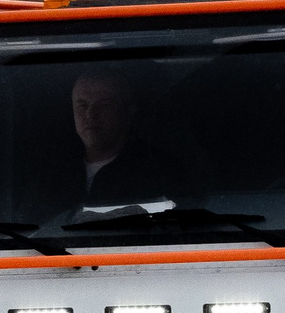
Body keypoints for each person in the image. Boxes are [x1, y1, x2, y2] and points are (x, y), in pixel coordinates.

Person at [38, 70, 182, 215]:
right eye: (81, 106)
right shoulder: (50, 175)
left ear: (128, 111)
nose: (90, 115)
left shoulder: (160, 171)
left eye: (104, 105)